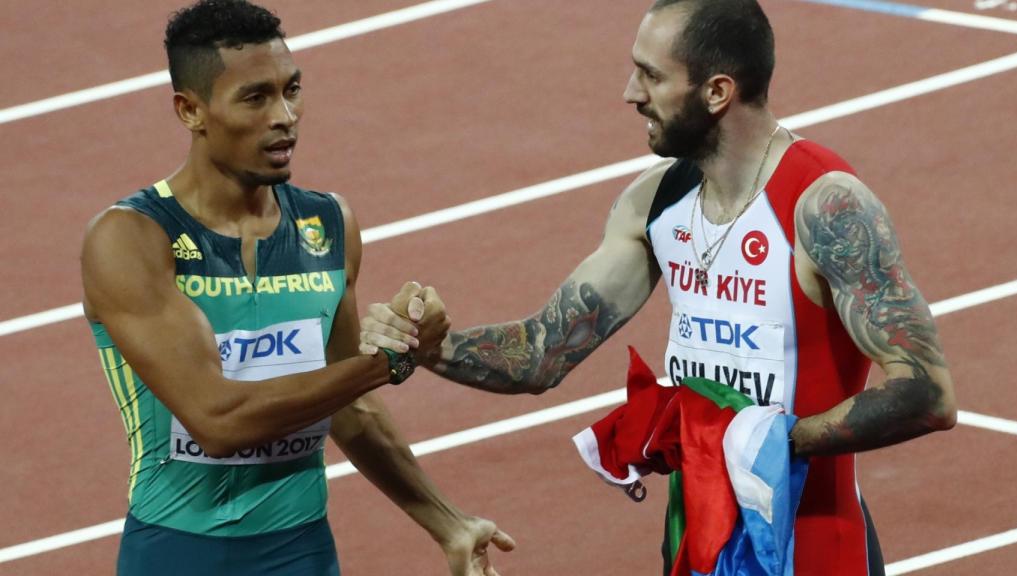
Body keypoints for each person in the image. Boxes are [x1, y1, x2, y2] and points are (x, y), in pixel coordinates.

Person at [358, 0, 957, 574]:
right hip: (696, 541)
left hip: (815, 549)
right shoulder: (656, 202)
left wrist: (758, 444)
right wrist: (428, 346)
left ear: (717, 92)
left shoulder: (824, 206)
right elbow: (542, 351)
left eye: (651, 75)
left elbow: (927, 393)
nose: (631, 92)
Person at [79, 1, 514, 574]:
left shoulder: (328, 224)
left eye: (292, 90)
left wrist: (448, 522)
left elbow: (349, 405)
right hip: (177, 552)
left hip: (302, 550)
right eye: (255, 98)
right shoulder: (131, 237)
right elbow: (218, 422)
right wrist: (391, 360)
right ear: (190, 110)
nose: (284, 116)